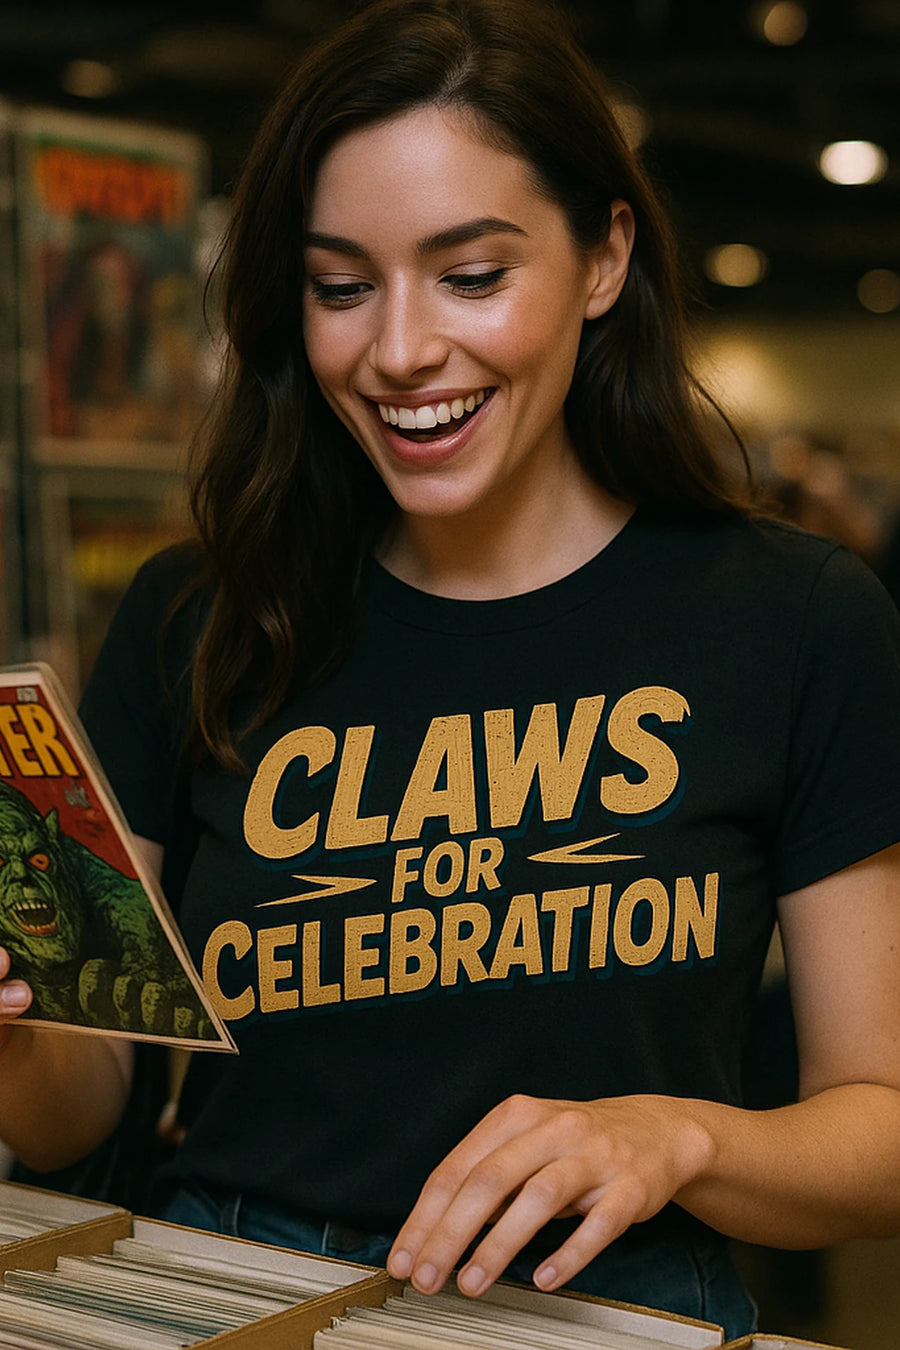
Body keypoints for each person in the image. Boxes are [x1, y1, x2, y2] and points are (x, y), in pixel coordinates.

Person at [3, 0, 900, 1338]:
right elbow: (85, 1098)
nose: (402, 350)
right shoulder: (197, 612)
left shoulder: (795, 616)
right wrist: (18, 1031)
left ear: (605, 258)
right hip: (226, 1289)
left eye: (472, 274)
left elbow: (877, 1127)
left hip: (601, 1303)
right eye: (341, 286)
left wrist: (678, 1138)